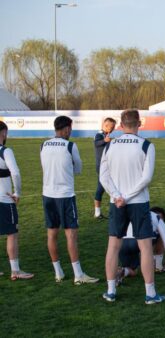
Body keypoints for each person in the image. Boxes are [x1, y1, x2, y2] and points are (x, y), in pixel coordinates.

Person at [100, 109, 165, 304]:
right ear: (139, 123)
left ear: (121, 125)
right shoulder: (146, 145)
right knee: (145, 247)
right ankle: (150, 294)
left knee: (113, 246)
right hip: (137, 202)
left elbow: (103, 176)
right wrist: (126, 196)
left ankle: (111, 291)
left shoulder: (110, 146)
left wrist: (117, 196)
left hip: (117, 202)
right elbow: (147, 178)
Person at [40, 116, 98, 285]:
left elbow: (43, 166)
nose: (70, 132)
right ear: (66, 129)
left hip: (48, 194)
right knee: (71, 234)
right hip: (65, 195)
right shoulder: (70, 146)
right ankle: (78, 274)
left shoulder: (43, 145)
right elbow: (78, 168)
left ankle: (58, 273)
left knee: (51, 234)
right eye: (70, 129)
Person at [0, 121, 33, 280]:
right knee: (12, 234)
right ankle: (15, 271)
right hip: (4, 199)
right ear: (4, 133)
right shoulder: (5, 151)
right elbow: (16, 173)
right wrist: (17, 192)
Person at [116, 207, 165, 285]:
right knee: (160, 236)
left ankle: (122, 271)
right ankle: (158, 267)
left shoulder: (136, 214)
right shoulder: (158, 219)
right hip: (138, 242)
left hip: (123, 243)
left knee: (133, 271)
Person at [93, 117, 116, 219]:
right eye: (112, 127)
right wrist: (104, 140)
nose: (113, 129)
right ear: (106, 126)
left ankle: (99, 213)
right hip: (101, 166)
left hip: (107, 165)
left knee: (106, 187)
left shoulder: (105, 135)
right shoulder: (99, 135)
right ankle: (98, 212)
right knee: (102, 188)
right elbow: (96, 143)